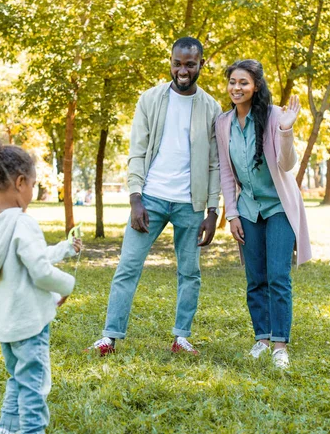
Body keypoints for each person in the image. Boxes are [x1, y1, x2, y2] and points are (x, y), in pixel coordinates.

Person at [87, 37, 222, 355]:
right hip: (150, 200)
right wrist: (135, 198)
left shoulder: (211, 108)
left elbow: (215, 164)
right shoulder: (149, 100)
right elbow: (136, 152)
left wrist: (213, 211)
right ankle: (110, 336)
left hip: (191, 204)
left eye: (190, 64)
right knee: (128, 266)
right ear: (171, 62)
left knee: (190, 272)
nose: (183, 70)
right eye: (177, 63)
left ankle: (181, 337)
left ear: (201, 64)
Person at [0, 132, 82, 434]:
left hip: (6, 321)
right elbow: (39, 271)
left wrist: (62, 249)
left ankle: (8, 429)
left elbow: (25, 258)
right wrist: (67, 284)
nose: (33, 191)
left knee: (17, 375)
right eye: (33, 184)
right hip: (30, 321)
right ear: (20, 182)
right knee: (35, 382)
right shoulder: (24, 223)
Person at [215, 59, 312, 369]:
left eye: (243, 82)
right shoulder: (223, 123)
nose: (236, 88)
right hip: (248, 210)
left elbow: (286, 165)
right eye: (232, 82)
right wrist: (232, 215)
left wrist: (286, 130)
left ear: (255, 86)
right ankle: (262, 338)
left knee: (278, 277)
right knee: (255, 279)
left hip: (279, 207)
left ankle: (280, 345)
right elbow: (228, 176)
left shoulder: (273, 117)